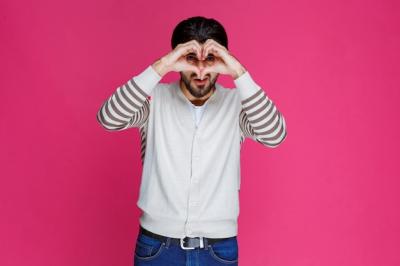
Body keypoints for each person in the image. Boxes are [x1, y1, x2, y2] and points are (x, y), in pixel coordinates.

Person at [96, 16, 287, 266]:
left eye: (210, 60)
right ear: (177, 60)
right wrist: (162, 65)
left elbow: (275, 135)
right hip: (157, 247)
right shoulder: (154, 100)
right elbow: (108, 118)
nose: (200, 71)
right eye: (190, 59)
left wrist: (238, 71)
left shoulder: (238, 105)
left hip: (218, 249)